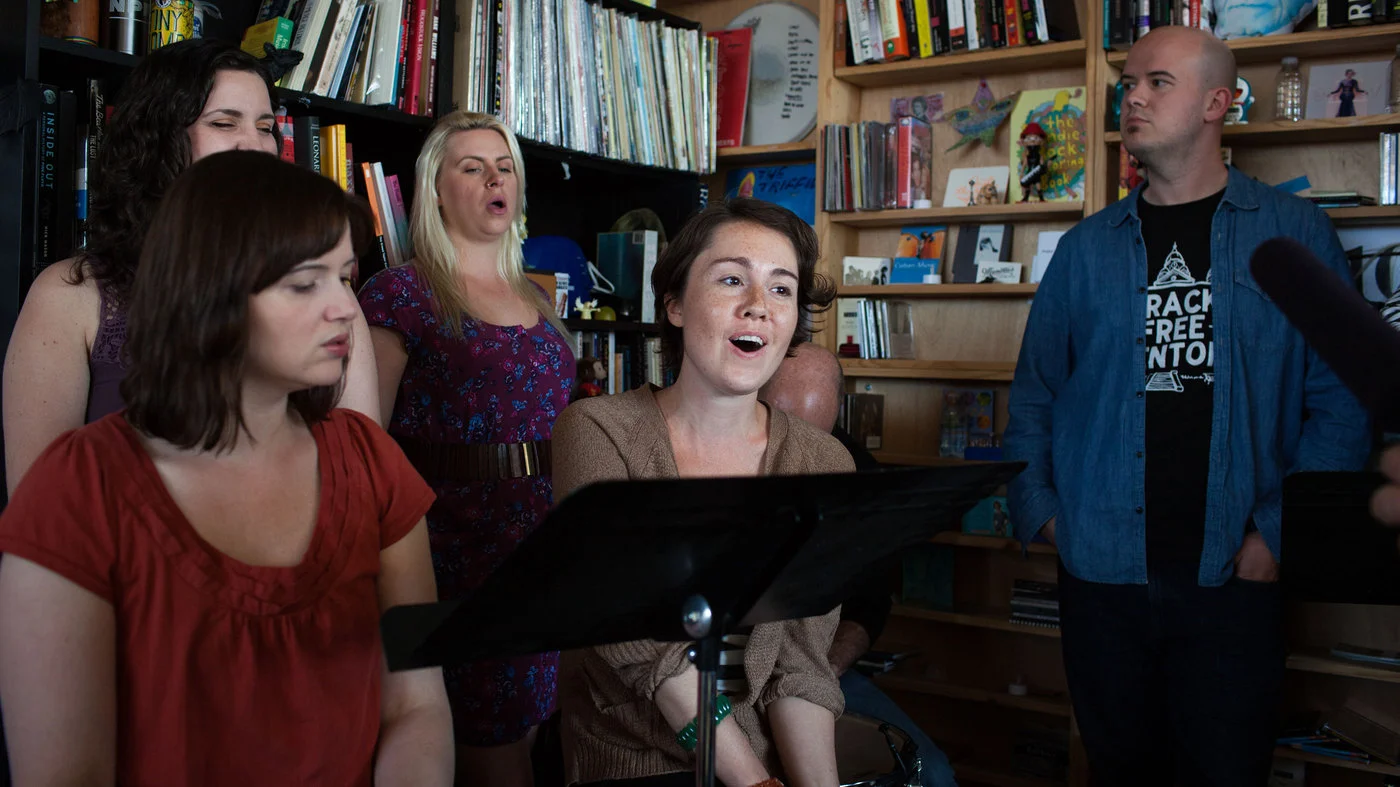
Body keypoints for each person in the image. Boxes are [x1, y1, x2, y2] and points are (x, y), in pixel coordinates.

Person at [0, 150, 452, 785]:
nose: (347, 310)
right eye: (305, 283)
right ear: (209, 293)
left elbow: (418, 703)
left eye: (346, 278)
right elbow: (64, 773)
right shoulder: (76, 490)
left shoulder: (376, 466)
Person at [1004, 26, 1371, 787]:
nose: (1132, 96)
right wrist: (1045, 515)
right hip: (1100, 574)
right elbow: (1035, 396)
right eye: (1127, 83)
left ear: (1217, 102)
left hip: (1233, 581)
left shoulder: (1294, 233)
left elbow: (1343, 401)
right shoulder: (1084, 252)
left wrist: (1276, 534)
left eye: (1156, 82)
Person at [552, 198, 852, 787]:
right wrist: (753, 785)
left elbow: (801, 667)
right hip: (633, 764)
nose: (758, 308)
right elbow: (638, 640)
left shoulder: (824, 462)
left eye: (782, 289)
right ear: (675, 305)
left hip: (763, 764)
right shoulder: (596, 431)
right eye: (732, 279)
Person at [2, 37, 380, 498]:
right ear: (159, 141)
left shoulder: (330, 298)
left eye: (266, 127)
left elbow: (366, 486)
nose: (254, 145)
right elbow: (39, 510)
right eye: (224, 123)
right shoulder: (70, 295)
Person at [358, 109, 575, 787]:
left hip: (541, 544)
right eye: (472, 166)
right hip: (448, 549)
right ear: (436, 188)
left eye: (504, 165)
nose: (492, 178)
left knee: (532, 731)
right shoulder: (400, 294)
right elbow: (363, 439)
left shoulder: (540, 299)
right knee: (489, 752)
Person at [758, 341, 960, 787]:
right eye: (785, 432)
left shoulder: (857, 471)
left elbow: (872, 598)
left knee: (935, 775)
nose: (801, 457)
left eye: (818, 437)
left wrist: (827, 669)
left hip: (818, 670)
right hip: (732, 676)